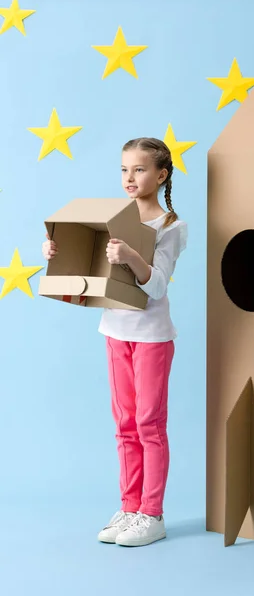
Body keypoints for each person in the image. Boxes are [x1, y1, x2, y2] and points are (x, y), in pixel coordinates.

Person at [42, 138, 188, 547]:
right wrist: (53, 250)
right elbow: (86, 261)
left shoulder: (172, 227)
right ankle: (129, 506)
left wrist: (129, 256)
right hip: (115, 333)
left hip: (152, 337)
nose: (129, 178)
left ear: (161, 175)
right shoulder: (113, 219)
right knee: (124, 424)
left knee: (149, 424)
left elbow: (156, 286)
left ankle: (152, 513)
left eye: (139, 170)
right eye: (124, 169)